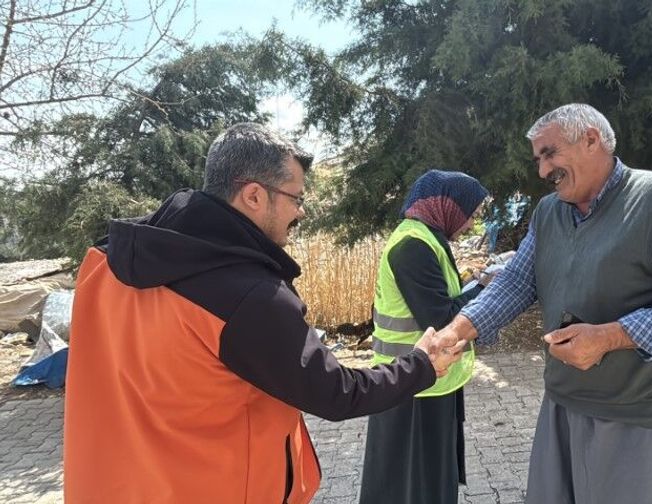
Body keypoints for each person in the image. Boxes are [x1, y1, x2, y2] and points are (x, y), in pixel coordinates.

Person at [63, 123, 465, 504]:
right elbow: (338, 394)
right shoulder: (249, 298)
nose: (302, 212)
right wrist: (422, 364)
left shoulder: (104, 262)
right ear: (254, 196)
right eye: (297, 198)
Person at [438, 103, 652, 504]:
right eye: (539, 159)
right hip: (563, 405)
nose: (542, 171)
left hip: (642, 415)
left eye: (550, 153)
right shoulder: (549, 213)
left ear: (592, 139)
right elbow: (517, 283)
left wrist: (611, 337)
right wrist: (455, 333)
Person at [359, 169, 490, 504]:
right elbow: (442, 318)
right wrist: (485, 288)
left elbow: (440, 300)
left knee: (417, 481)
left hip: (423, 381)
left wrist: (473, 283)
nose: (471, 225)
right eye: (470, 215)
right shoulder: (413, 246)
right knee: (414, 486)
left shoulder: (425, 238)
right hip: (413, 387)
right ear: (451, 208)